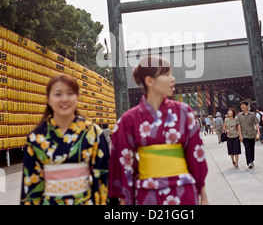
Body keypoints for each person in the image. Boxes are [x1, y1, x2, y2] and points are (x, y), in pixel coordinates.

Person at [108, 55, 208, 205]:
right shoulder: (128, 119)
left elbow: (196, 157)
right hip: (147, 193)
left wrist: (204, 197)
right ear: (150, 81)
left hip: (183, 191)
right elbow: (123, 164)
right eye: (167, 74)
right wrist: (125, 200)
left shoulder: (183, 112)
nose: (172, 78)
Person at [20, 74, 110, 205]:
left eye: (70, 93)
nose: (64, 99)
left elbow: (104, 177)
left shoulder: (93, 133)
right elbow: (30, 185)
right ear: (49, 100)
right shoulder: (36, 138)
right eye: (58, 94)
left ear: (77, 96)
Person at [237, 101, 260, 169]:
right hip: (244, 135)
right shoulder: (239, 116)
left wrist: (258, 131)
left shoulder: (252, 114)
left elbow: (256, 123)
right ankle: (249, 162)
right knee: (247, 148)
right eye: (241, 105)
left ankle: (252, 160)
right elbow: (239, 126)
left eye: (243, 105)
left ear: (247, 106)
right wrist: (240, 135)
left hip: (252, 134)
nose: (242, 107)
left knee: (252, 148)